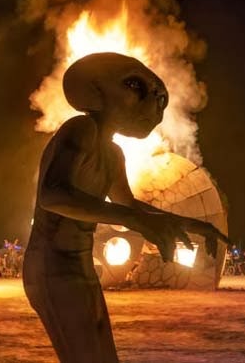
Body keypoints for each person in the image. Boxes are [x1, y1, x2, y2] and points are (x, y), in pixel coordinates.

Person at [22, 53, 228, 363]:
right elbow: (52, 195)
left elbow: (128, 204)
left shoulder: (114, 153)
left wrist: (187, 223)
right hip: (52, 267)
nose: (153, 102)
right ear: (94, 90)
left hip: (80, 267)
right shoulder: (80, 129)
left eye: (159, 95)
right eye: (135, 86)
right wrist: (134, 219)